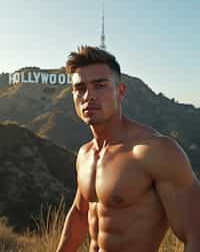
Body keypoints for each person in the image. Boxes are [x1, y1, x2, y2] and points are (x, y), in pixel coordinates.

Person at [56, 46, 200, 252]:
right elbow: (80, 214)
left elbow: (195, 234)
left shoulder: (153, 151)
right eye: (80, 88)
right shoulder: (85, 154)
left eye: (100, 85)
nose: (88, 96)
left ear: (120, 91)